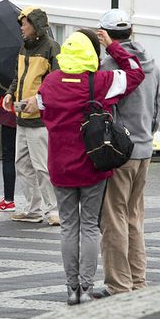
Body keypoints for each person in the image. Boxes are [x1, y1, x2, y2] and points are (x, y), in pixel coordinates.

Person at [37, 28, 144, 304]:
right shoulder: (101, 81)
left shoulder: (49, 83)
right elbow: (135, 71)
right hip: (93, 164)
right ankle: (86, 288)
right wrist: (113, 47)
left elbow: (41, 109)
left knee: (68, 227)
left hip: (60, 166)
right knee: (90, 227)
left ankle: (71, 288)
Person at [93, 9, 160, 299]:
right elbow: (158, 109)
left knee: (114, 218)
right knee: (134, 215)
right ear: (131, 32)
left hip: (121, 151)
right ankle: (138, 279)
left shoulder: (109, 65)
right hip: (145, 148)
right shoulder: (152, 63)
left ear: (105, 35)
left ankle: (118, 284)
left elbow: (106, 110)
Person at [2, 7, 60, 226]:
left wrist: (39, 100)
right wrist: (9, 93)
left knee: (42, 166)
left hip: (39, 119)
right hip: (22, 117)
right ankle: (33, 209)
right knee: (23, 165)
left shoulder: (52, 48)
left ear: (35, 25)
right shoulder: (24, 47)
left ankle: (53, 210)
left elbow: (55, 83)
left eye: (25, 24)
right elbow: (18, 77)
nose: (22, 28)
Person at [0, 95, 17, 212]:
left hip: (10, 112)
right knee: (36, 161)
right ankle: (48, 205)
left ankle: (8, 200)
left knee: (8, 157)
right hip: (33, 113)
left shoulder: (7, 79)